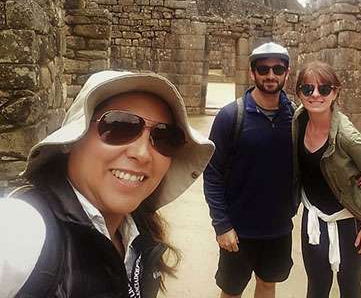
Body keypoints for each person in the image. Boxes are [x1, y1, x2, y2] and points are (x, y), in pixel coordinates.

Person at [0, 70, 215, 298]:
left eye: (164, 137)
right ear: (73, 140)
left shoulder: (139, 234)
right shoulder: (21, 228)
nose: (142, 154)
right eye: (119, 126)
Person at [203, 42, 298, 298]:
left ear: (287, 73)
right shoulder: (230, 116)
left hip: (278, 228)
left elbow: (320, 155)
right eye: (263, 68)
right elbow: (212, 174)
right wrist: (221, 225)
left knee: (268, 283)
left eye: (278, 69)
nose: (271, 75)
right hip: (238, 228)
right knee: (232, 291)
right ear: (252, 72)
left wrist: (356, 173)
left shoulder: (297, 119)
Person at [292, 61, 361, 298]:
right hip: (314, 217)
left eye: (324, 89)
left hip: (349, 221)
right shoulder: (299, 119)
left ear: (335, 93)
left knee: (349, 286)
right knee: (316, 284)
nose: (315, 95)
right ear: (299, 94)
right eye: (307, 89)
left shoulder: (348, 137)